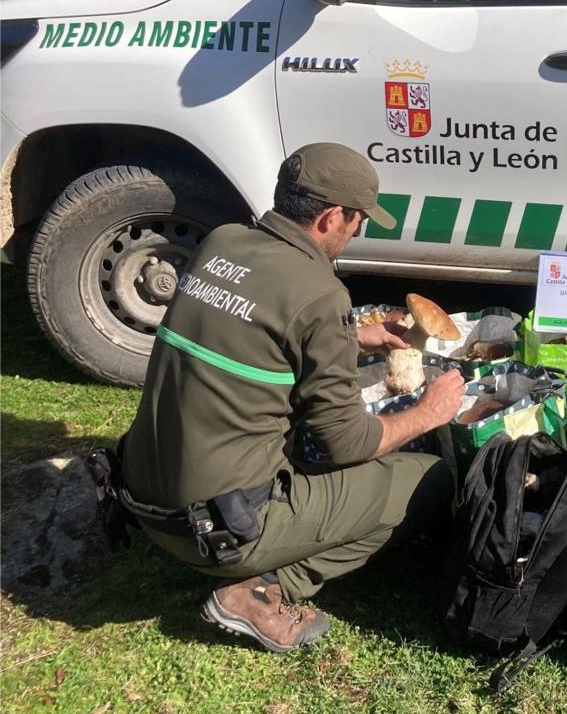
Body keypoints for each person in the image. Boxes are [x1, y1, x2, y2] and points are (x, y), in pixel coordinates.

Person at [120, 142, 465, 653]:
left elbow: (257, 331)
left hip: (142, 498)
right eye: (356, 221)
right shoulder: (320, 292)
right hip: (221, 529)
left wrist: (351, 338)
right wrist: (427, 413)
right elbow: (344, 443)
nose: (356, 232)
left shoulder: (222, 242)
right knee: (430, 480)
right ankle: (264, 592)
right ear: (330, 217)